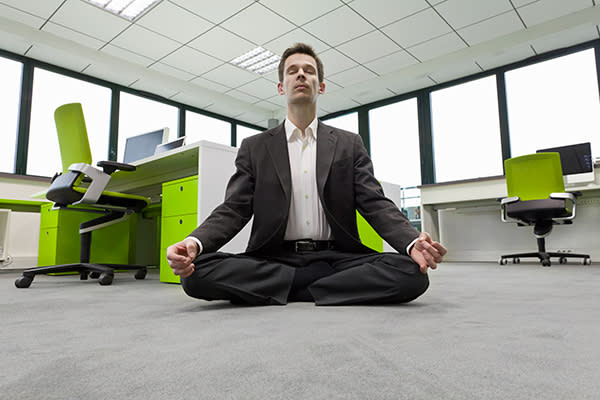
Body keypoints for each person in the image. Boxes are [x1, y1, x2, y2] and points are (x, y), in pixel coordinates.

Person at [166, 43, 446, 306]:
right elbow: (233, 209)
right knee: (195, 273)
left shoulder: (349, 144)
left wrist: (411, 242)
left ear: (320, 86)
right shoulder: (255, 147)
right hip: (274, 258)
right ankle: (320, 288)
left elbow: (375, 203)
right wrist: (193, 242)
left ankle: (287, 289)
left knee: (412, 272)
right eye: (292, 71)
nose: (301, 74)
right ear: (281, 87)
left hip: (337, 257)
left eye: (309, 71)